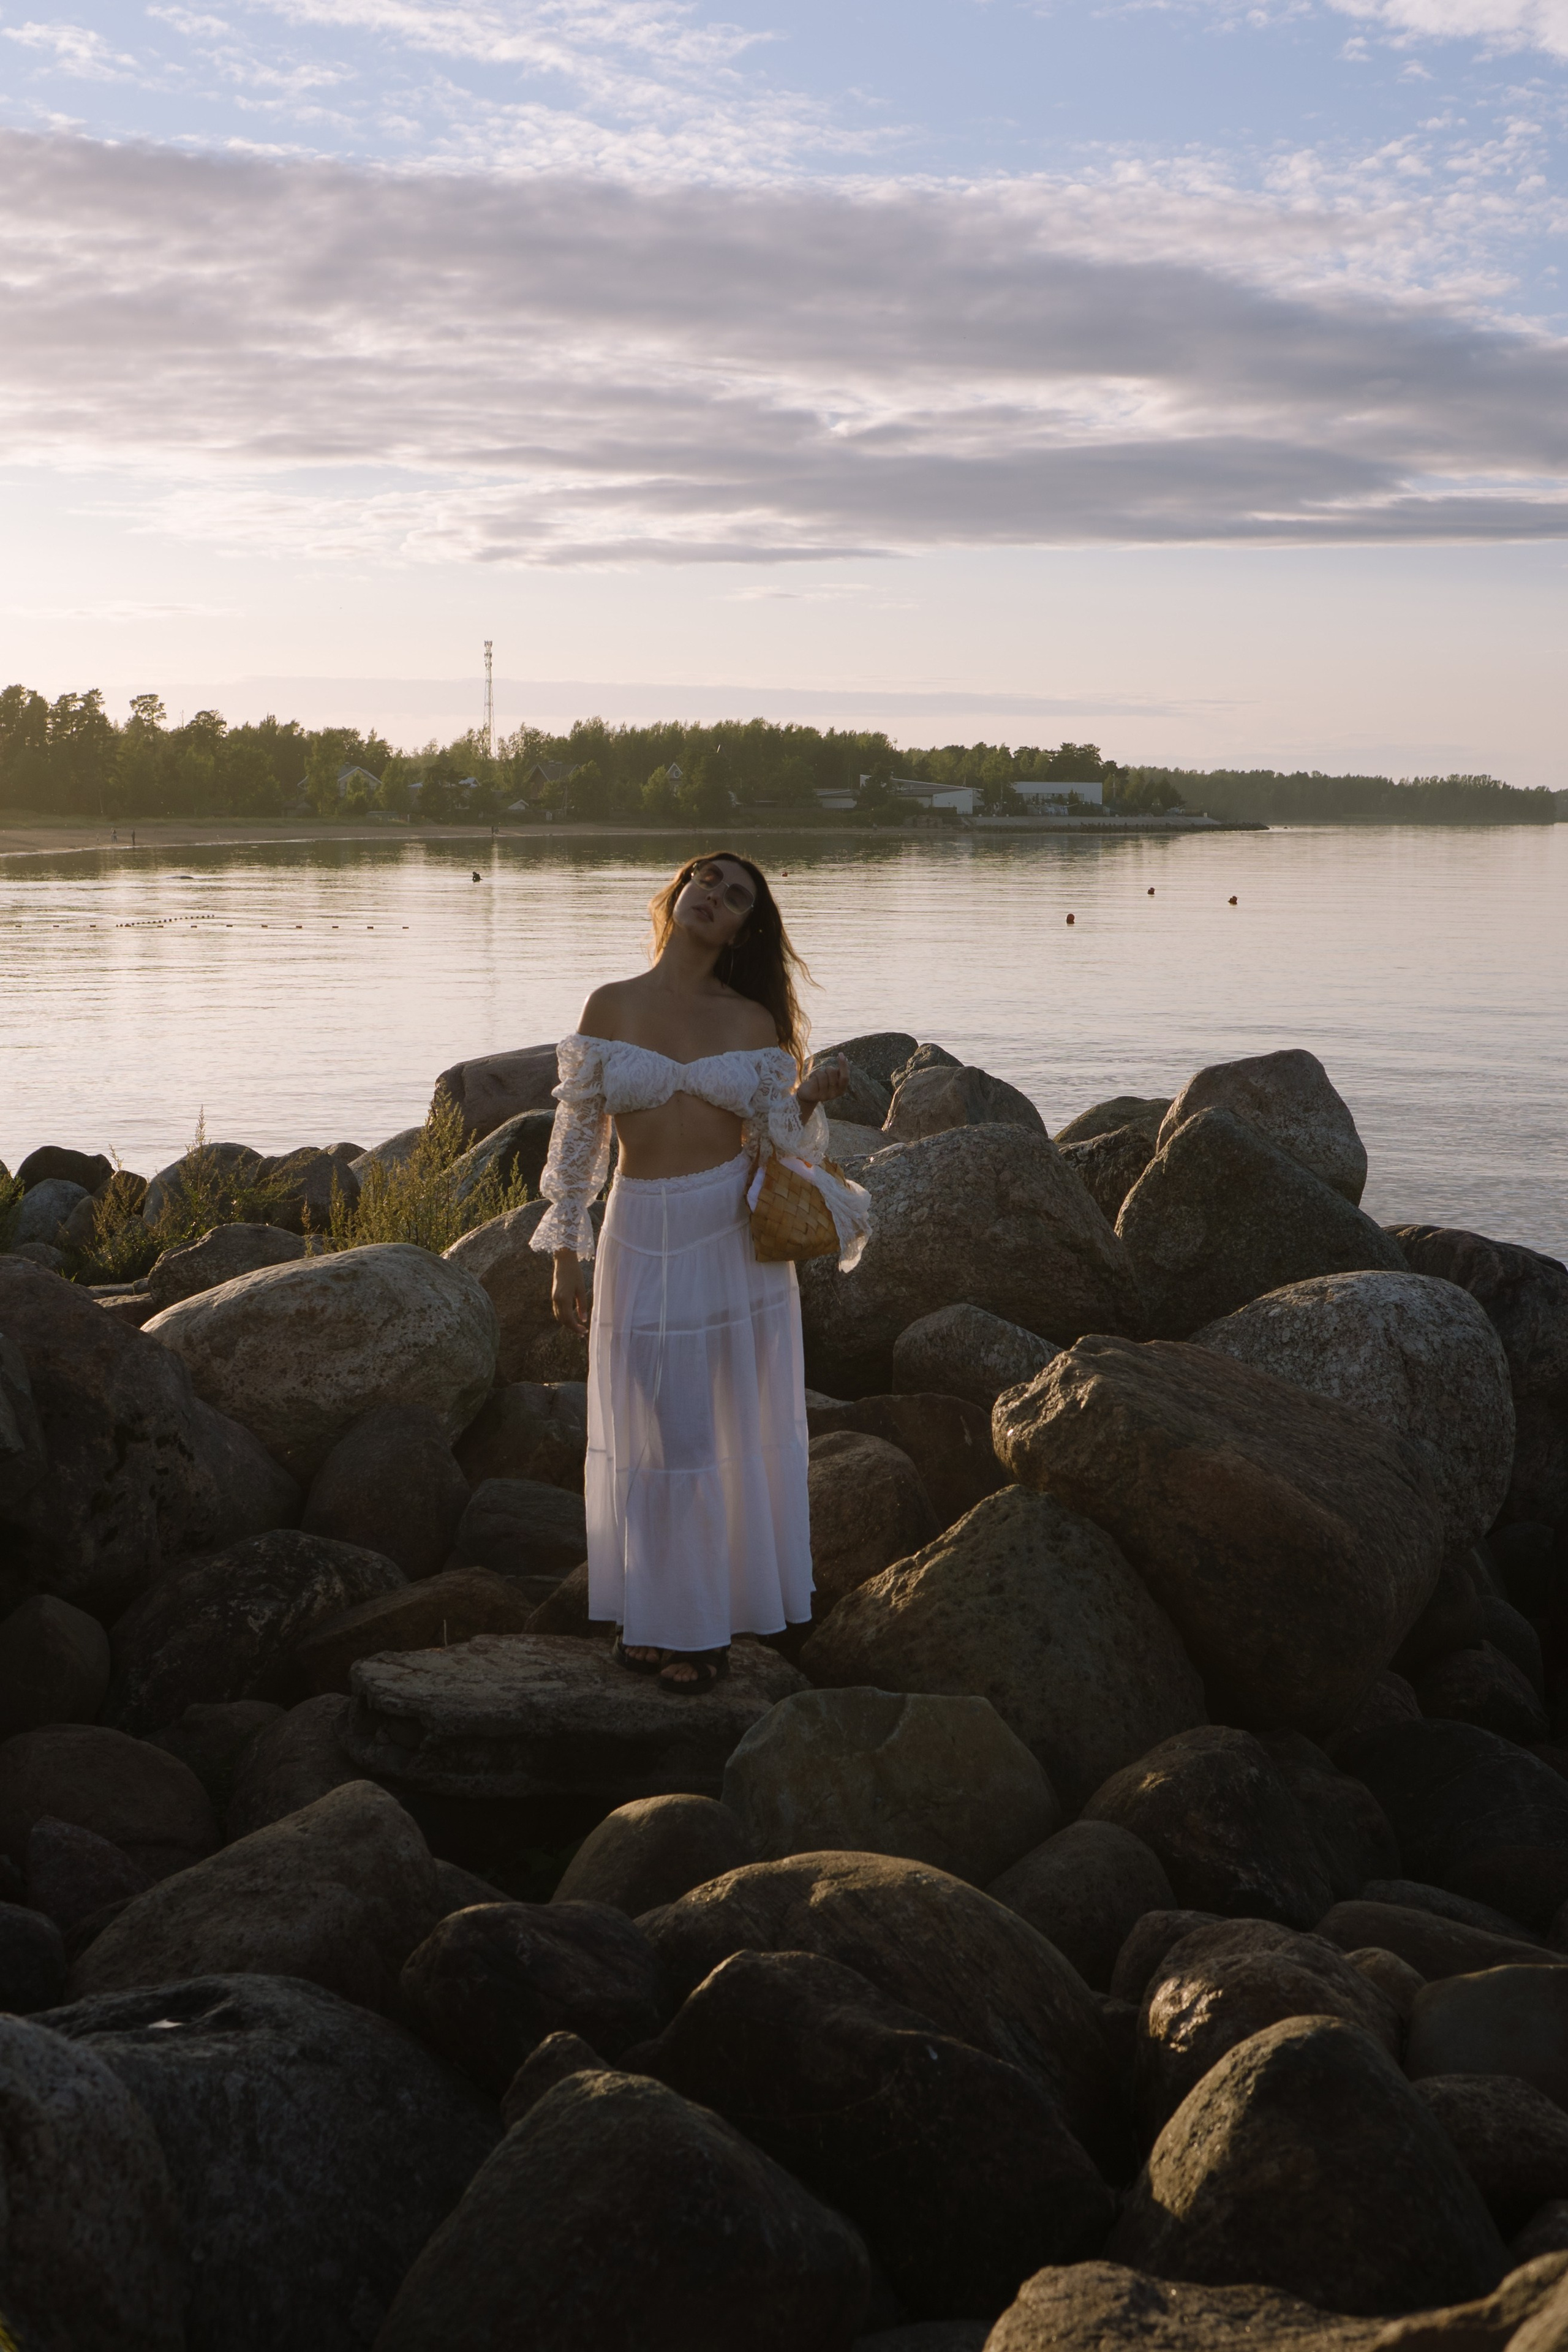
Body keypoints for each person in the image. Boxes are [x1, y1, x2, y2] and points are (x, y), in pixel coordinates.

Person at [530, 852, 872, 1691]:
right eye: (705, 879)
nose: (714, 895)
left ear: (747, 926)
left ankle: (694, 1630)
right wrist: (564, 1253)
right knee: (655, 1430)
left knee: (709, 1427)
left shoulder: (752, 1022)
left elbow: (779, 1149)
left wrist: (808, 1099)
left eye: (736, 894)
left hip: (728, 1235)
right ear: (678, 893)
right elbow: (578, 1144)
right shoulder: (610, 1005)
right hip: (639, 1228)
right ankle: (659, 1611)